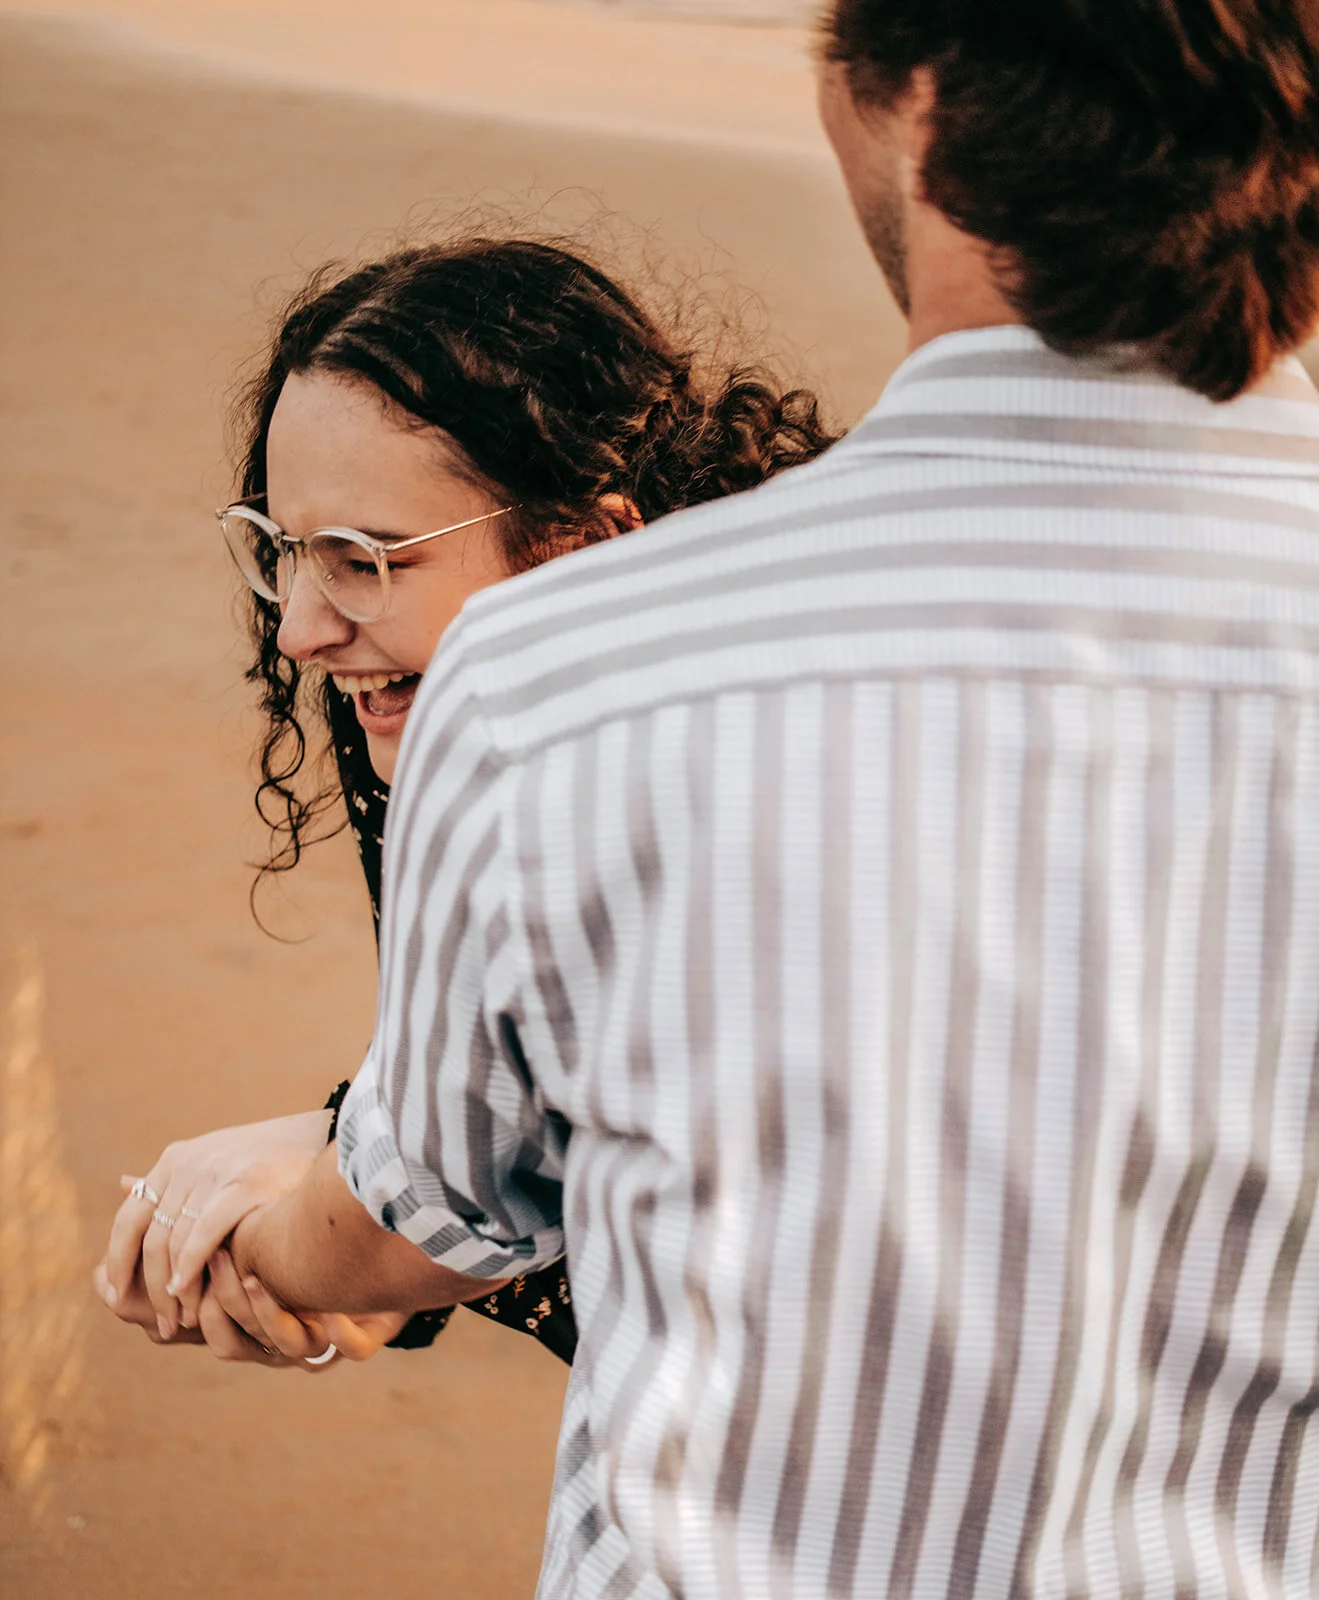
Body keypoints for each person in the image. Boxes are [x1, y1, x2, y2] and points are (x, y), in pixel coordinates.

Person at [135, 0, 1319, 1593]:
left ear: (896, 105)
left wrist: (240, 1231)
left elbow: (423, 1213)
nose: (306, 619)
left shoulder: (567, 671)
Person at [96, 237, 836, 1366]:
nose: (298, 628)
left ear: (589, 547)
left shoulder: (789, 779)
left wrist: (330, 1211)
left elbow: (722, 1229)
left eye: (362, 558)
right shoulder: (427, 723)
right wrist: (361, 1232)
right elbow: (519, 1107)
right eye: (285, 548)